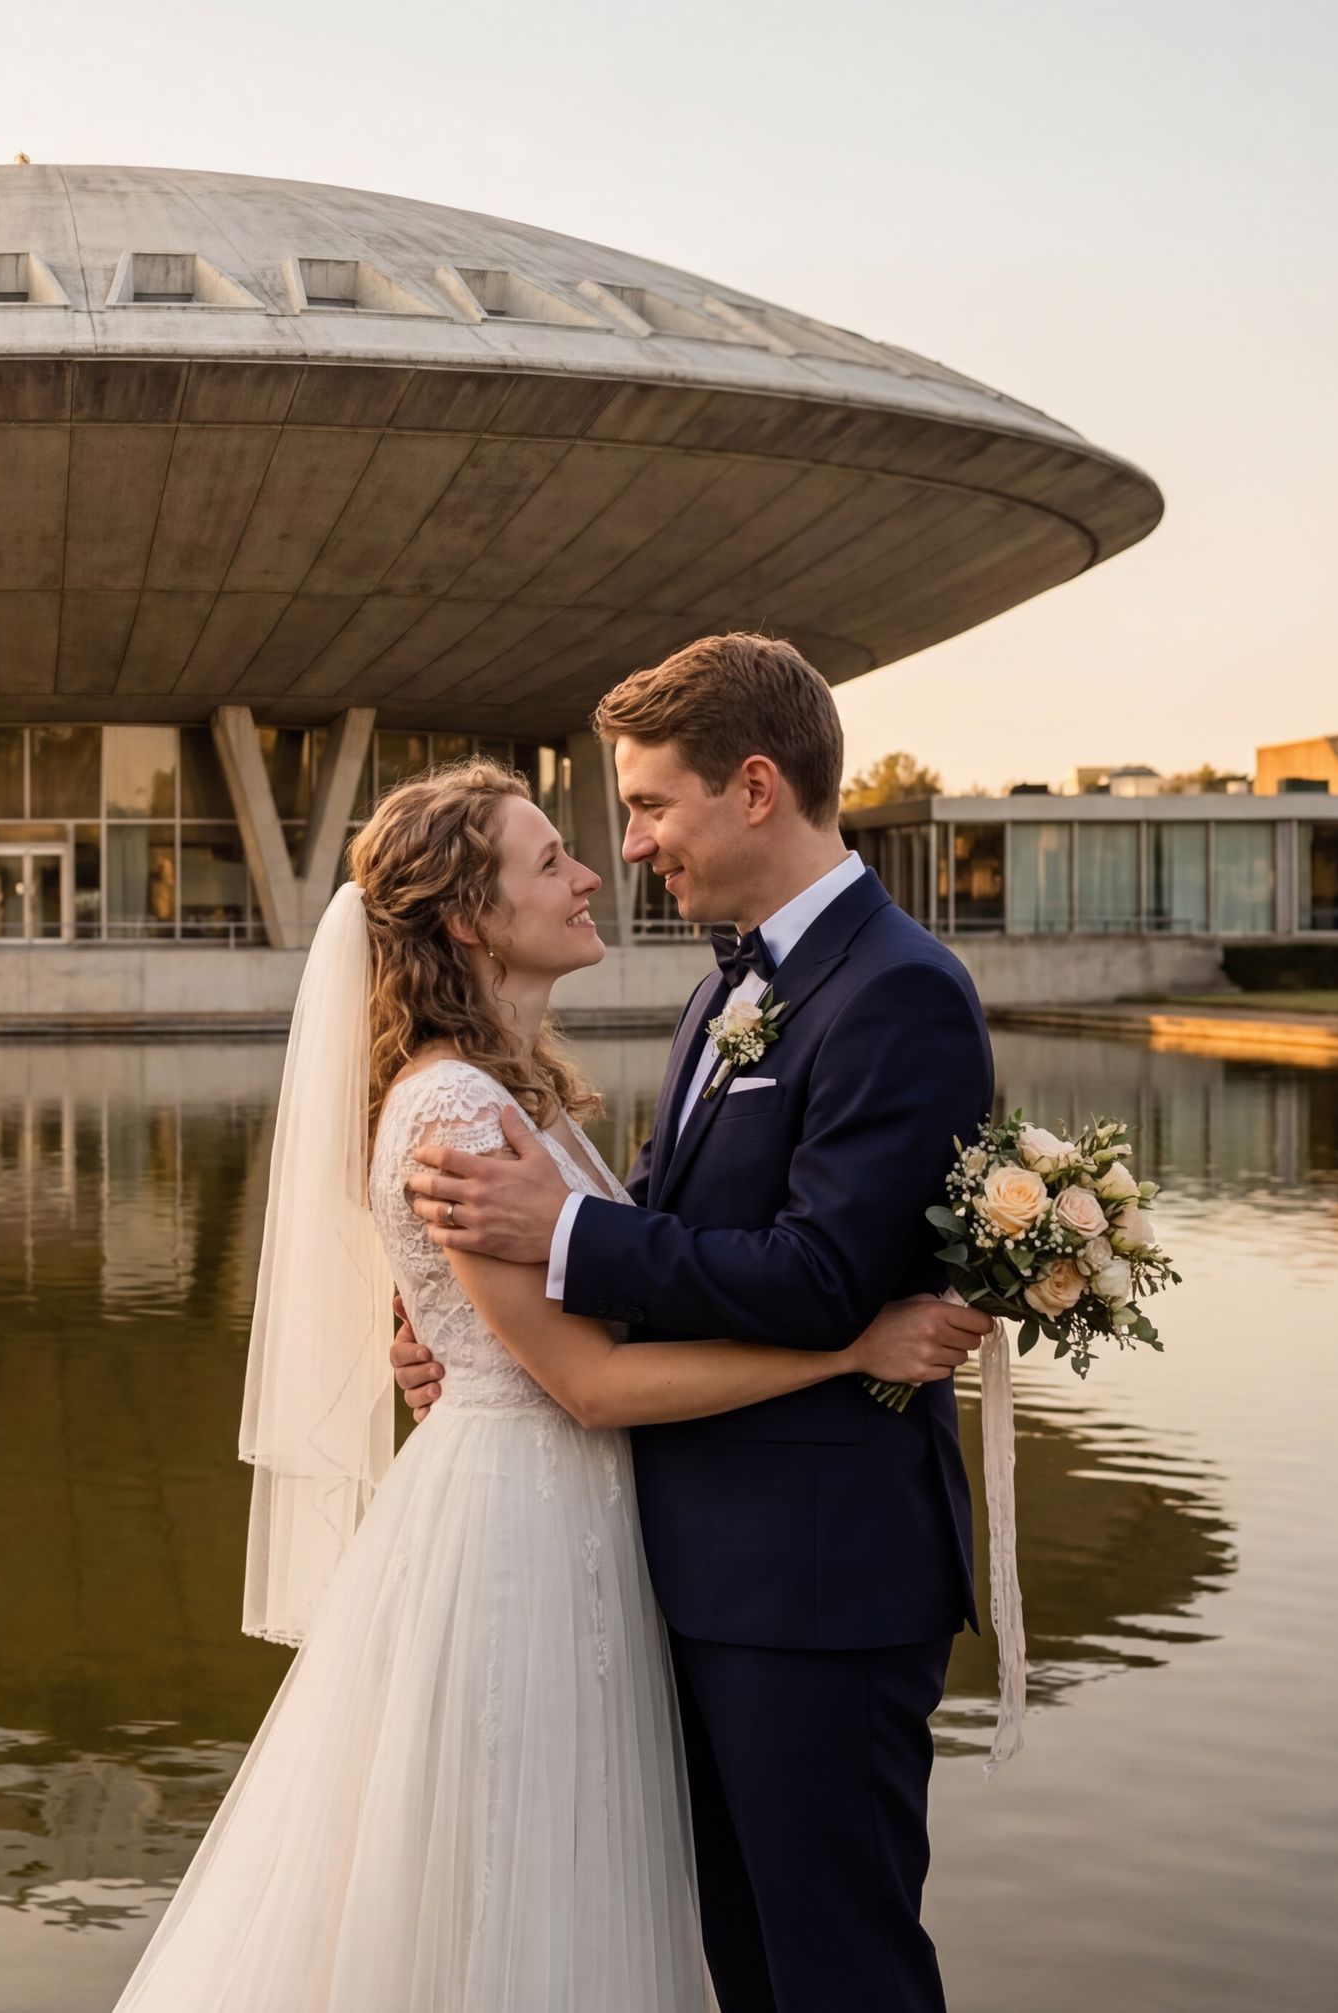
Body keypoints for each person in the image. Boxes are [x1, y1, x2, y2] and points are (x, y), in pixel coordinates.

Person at [110, 717, 982, 2012]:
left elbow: (623, 1263)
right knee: (511, 1893)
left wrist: (453, 1332)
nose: (595, 872)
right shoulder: (456, 1105)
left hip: (595, 1525)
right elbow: (592, 1383)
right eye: (553, 857)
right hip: (519, 1533)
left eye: (608, 831)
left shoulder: (526, 1086)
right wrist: (852, 1344)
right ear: (469, 918)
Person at [394, 634, 993, 2011]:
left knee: (839, 1968)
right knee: (748, 1961)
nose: (634, 840)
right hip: (701, 1569)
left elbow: (823, 1275)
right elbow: (680, 1225)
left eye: (652, 802)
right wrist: (474, 1323)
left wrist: (566, 1233)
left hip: (820, 1583)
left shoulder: (899, 991)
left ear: (758, 788)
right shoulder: (728, 987)